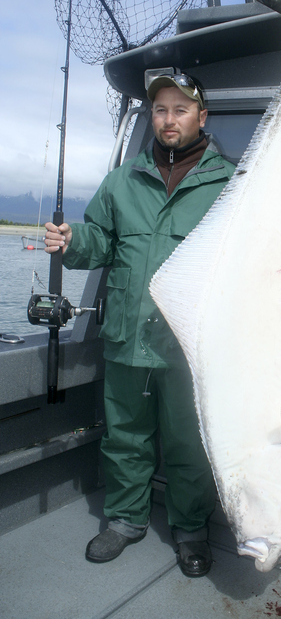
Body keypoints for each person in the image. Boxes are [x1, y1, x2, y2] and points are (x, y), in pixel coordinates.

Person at [44, 70, 235, 577]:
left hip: (191, 347)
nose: (168, 119)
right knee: (125, 436)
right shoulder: (121, 180)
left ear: (201, 116)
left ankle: (190, 530)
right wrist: (73, 240)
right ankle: (125, 520)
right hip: (128, 337)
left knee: (189, 444)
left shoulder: (230, 183)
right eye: (160, 110)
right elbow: (101, 241)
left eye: (180, 110)